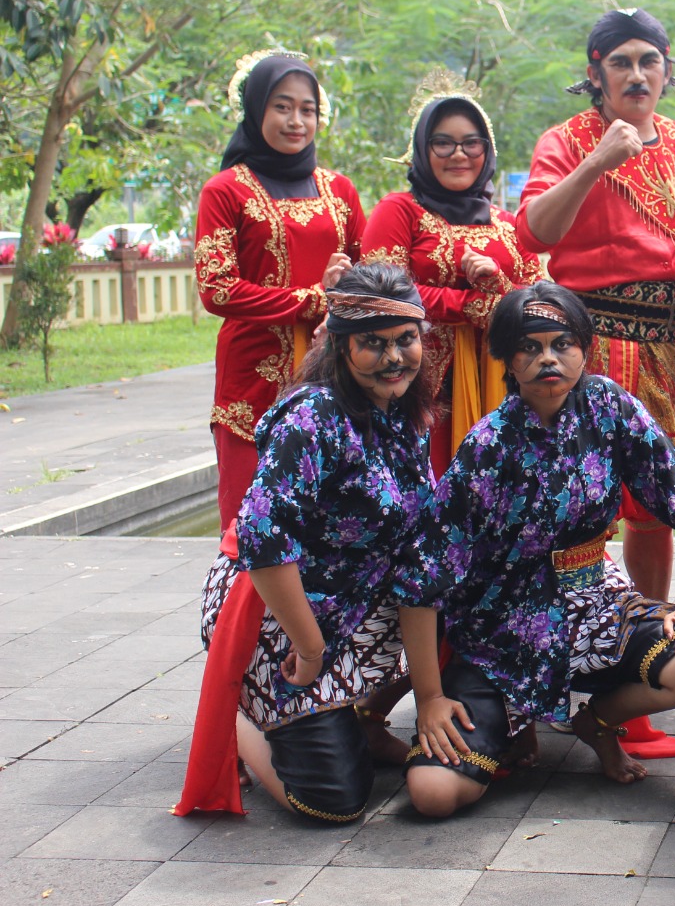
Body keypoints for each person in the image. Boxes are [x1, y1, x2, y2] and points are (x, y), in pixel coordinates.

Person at [397, 283, 675, 817]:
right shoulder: (488, 446)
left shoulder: (607, 405)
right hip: (500, 633)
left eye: (562, 343)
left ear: (584, 349)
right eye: (530, 346)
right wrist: (429, 698)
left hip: (597, 605)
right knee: (434, 795)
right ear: (507, 359)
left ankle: (596, 720)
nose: (548, 358)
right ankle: (511, 720)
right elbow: (422, 576)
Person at [176, 264, 434, 822]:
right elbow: (263, 538)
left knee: (468, 600)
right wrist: (312, 650)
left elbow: (420, 544)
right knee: (330, 803)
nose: (394, 357)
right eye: (373, 343)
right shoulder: (313, 416)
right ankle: (237, 719)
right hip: (280, 611)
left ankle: (356, 717)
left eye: (406, 339)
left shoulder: (407, 415)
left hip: (357, 602)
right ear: (340, 346)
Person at [518, 8, 675, 603]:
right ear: (595, 74)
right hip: (592, 346)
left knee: (658, 504)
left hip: (667, 348)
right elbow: (533, 232)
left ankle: (649, 627)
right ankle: (578, 630)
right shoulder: (566, 140)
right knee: (582, 498)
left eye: (649, 61)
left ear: (666, 71)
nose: (636, 74)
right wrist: (597, 162)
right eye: (621, 63)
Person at [196, 50, 366, 530]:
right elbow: (217, 288)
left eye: (307, 109)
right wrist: (313, 298)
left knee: (331, 515)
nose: (296, 121)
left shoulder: (340, 191)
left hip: (333, 369)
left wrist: (344, 291)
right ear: (255, 110)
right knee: (252, 521)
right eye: (282, 107)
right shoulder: (225, 191)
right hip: (253, 375)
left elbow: (370, 273)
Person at [362, 74, 545, 477]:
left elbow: (538, 298)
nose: (458, 154)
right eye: (442, 143)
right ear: (421, 149)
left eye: (471, 143)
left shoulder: (508, 223)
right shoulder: (399, 211)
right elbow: (380, 293)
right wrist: (469, 304)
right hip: (421, 384)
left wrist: (498, 285)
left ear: (487, 150)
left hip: (505, 380)